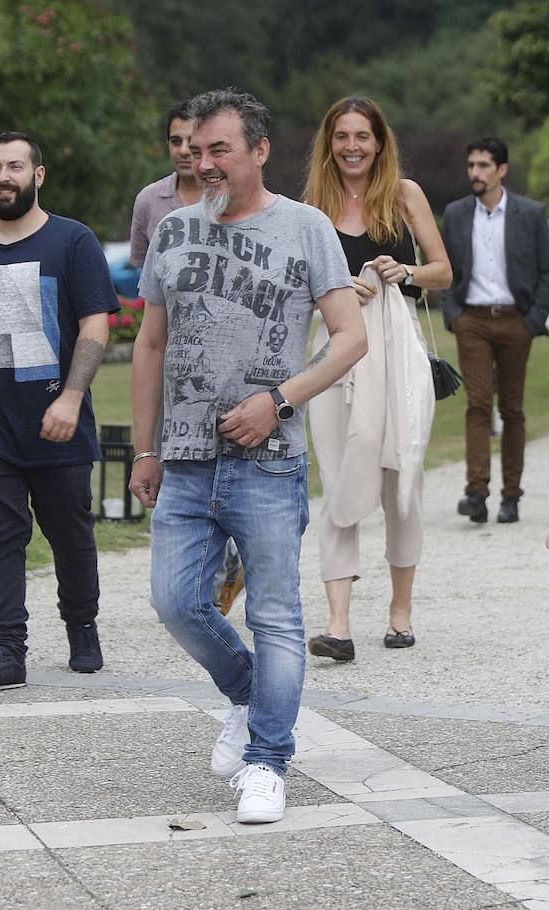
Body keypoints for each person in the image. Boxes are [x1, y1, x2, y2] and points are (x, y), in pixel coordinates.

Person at [129, 88, 366, 824]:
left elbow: (350, 338)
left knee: (276, 613)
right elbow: (150, 343)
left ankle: (268, 761)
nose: (204, 164)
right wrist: (144, 448)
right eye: (195, 152)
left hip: (269, 458)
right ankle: (249, 692)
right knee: (174, 601)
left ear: (259, 151)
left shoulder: (306, 228)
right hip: (186, 458)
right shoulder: (171, 233)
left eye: (219, 150)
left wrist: (280, 402)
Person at [0, 131, 119, 692]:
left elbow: (96, 324)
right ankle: (6, 651)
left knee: (70, 533)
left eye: (15, 166)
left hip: (57, 419)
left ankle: (81, 624)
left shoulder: (73, 241)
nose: (3, 177)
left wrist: (71, 396)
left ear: (38, 176)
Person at [300, 96, 452, 663]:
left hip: (396, 350)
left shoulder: (406, 194)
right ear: (329, 143)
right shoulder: (312, 206)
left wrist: (404, 270)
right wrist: (339, 290)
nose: (352, 147)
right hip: (334, 352)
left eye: (362, 136)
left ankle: (400, 611)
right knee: (339, 471)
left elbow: (443, 269)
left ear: (379, 142)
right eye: (342, 136)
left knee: (400, 468)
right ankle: (338, 624)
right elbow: (296, 289)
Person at [129, 99, 243, 614]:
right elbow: (147, 290)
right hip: (173, 359)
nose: (186, 153)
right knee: (178, 469)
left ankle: (231, 563)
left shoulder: (240, 199)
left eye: (194, 144)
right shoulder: (153, 204)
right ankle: (193, 590)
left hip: (232, 360)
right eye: (177, 143)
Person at [441, 137, 549, 525]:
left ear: (502, 170)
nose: (475, 173)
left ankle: (511, 495)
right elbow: (445, 268)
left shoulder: (531, 213)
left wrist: (532, 322)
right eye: (471, 165)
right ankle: (476, 491)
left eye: (484, 166)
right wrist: (454, 315)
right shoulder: (456, 214)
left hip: (514, 321)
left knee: (512, 408)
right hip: (471, 320)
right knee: (476, 404)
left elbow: (547, 271)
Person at [128, 99, 203, 267]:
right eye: (176, 141)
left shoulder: (226, 198)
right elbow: (141, 270)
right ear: (167, 144)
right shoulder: (147, 199)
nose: (183, 150)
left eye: (191, 142)